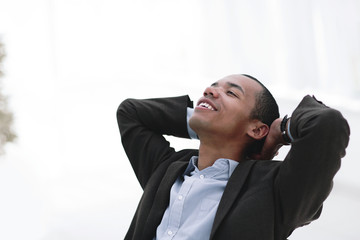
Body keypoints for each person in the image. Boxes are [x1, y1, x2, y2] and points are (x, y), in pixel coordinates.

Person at [117, 74, 350, 240]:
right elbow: (130, 113)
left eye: (230, 93)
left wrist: (280, 130)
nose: (209, 91)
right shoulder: (166, 169)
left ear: (257, 129)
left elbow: (328, 125)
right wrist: (203, 117)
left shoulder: (273, 189)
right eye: (211, 87)